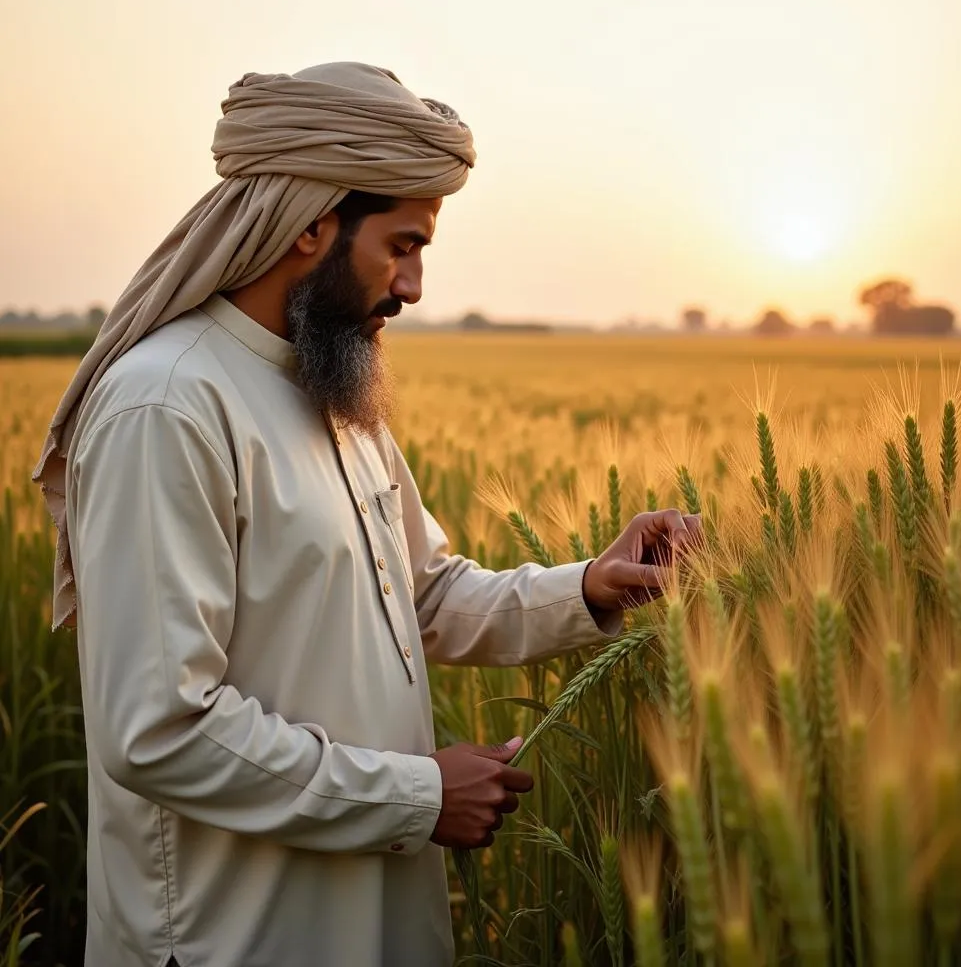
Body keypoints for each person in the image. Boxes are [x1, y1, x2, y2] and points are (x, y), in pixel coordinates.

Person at [33, 61, 700, 967]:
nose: (416, 284)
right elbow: (158, 728)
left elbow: (418, 595)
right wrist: (417, 798)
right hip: (234, 935)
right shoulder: (170, 406)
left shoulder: (327, 385)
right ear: (311, 225)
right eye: (403, 244)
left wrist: (588, 586)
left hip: (371, 920)